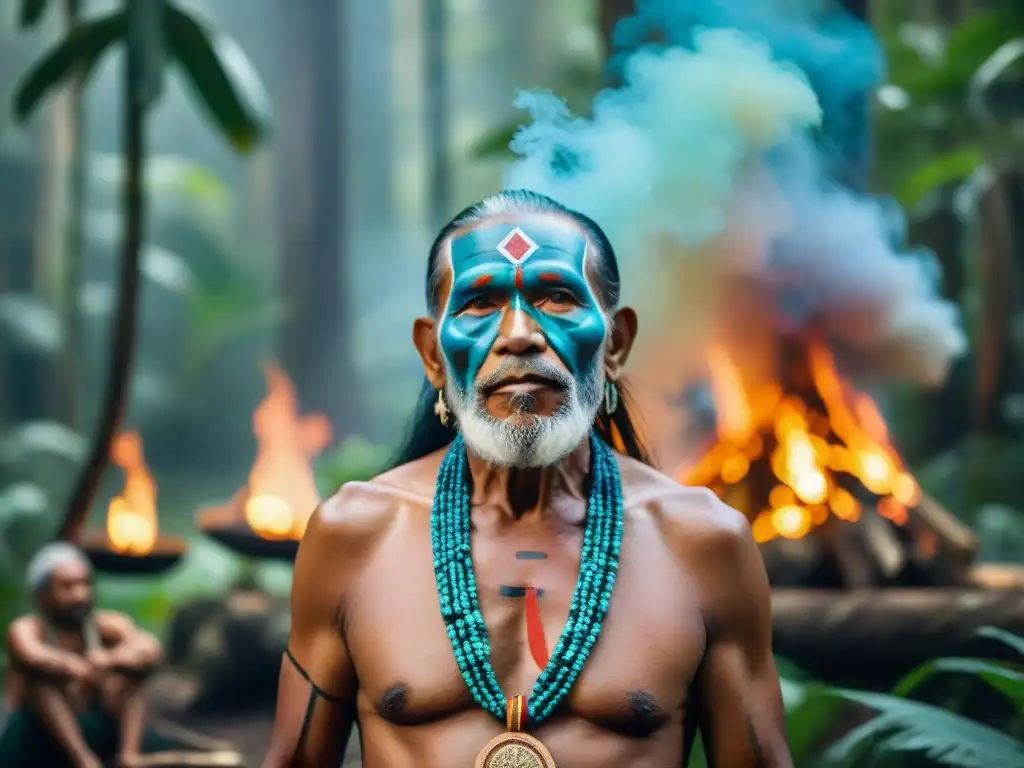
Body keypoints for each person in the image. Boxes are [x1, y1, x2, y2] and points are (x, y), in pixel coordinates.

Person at [263, 190, 791, 767]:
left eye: (558, 297)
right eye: (480, 304)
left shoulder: (702, 543)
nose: (518, 333)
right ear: (433, 355)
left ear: (615, 345)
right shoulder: (355, 535)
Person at [1, 542, 165, 768]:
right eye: (67, 587)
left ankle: (129, 756)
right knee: (41, 686)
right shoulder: (27, 628)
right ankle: (84, 761)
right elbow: (31, 655)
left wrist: (109, 660)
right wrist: (75, 667)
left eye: (84, 584)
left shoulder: (105, 626)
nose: (80, 594)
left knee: (133, 680)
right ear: (43, 593)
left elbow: (149, 648)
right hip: (38, 739)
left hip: (96, 722)